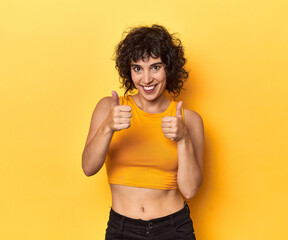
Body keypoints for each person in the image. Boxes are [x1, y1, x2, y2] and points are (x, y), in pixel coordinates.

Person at [82, 24, 204, 240]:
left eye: (155, 67)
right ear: (128, 71)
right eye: (137, 68)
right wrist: (108, 127)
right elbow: (88, 168)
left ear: (169, 68)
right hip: (122, 230)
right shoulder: (109, 108)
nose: (146, 79)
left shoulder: (190, 120)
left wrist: (183, 139)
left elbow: (190, 190)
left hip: (175, 229)